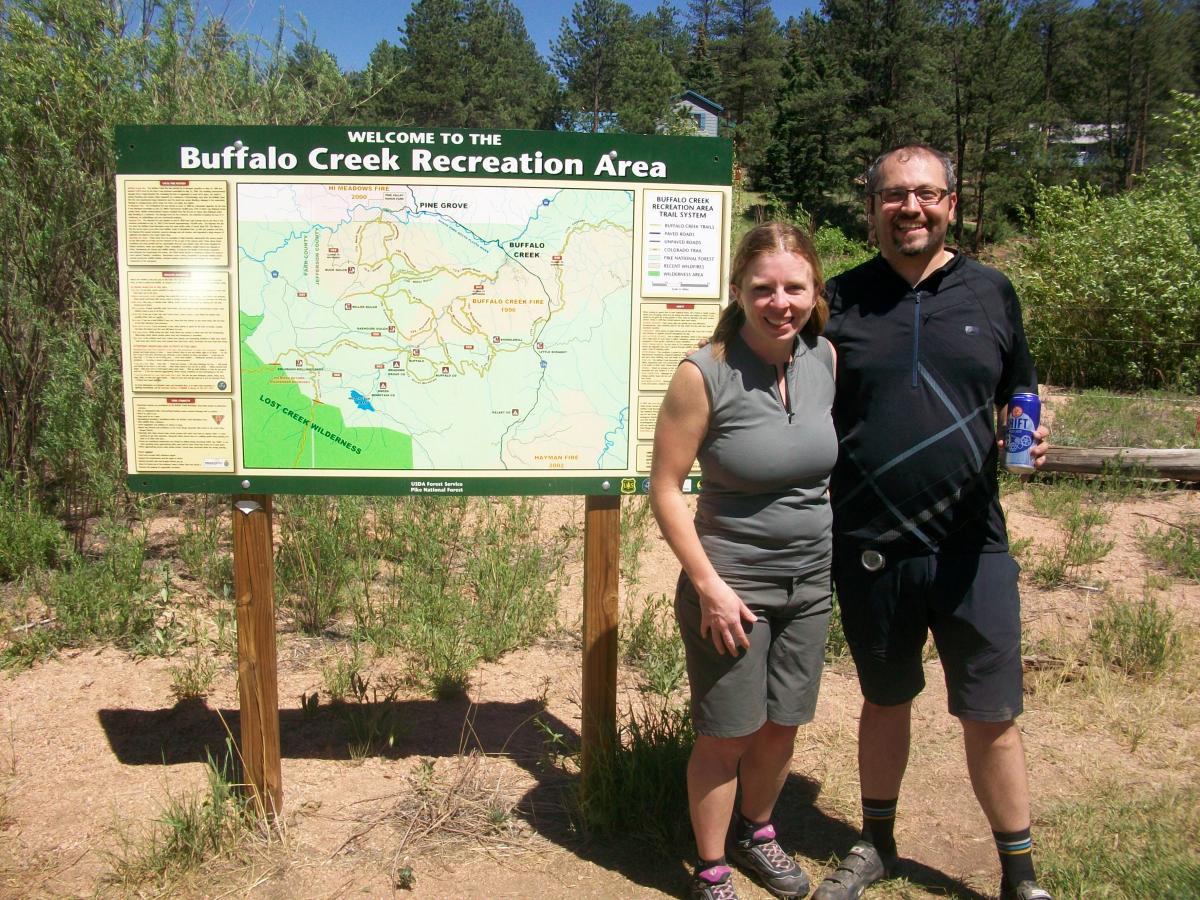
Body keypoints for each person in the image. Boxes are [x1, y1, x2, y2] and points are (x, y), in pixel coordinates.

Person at [812, 144, 1052, 900]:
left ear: (952, 202)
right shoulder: (840, 300)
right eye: (893, 196)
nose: (909, 208)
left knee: (992, 710)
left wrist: (1028, 429)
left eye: (924, 194)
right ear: (872, 208)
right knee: (885, 698)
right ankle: (876, 842)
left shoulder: (992, 292)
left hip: (971, 541)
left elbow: (1019, 389)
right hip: (869, 541)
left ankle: (1020, 874)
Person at [650, 222, 838, 900]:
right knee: (728, 733)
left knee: (783, 723)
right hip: (731, 586)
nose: (779, 302)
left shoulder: (824, 361)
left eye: (795, 287)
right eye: (763, 288)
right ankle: (711, 869)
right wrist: (709, 586)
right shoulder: (704, 372)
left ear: (815, 291)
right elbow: (665, 488)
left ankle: (759, 833)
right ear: (738, 291)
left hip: (811, 583)